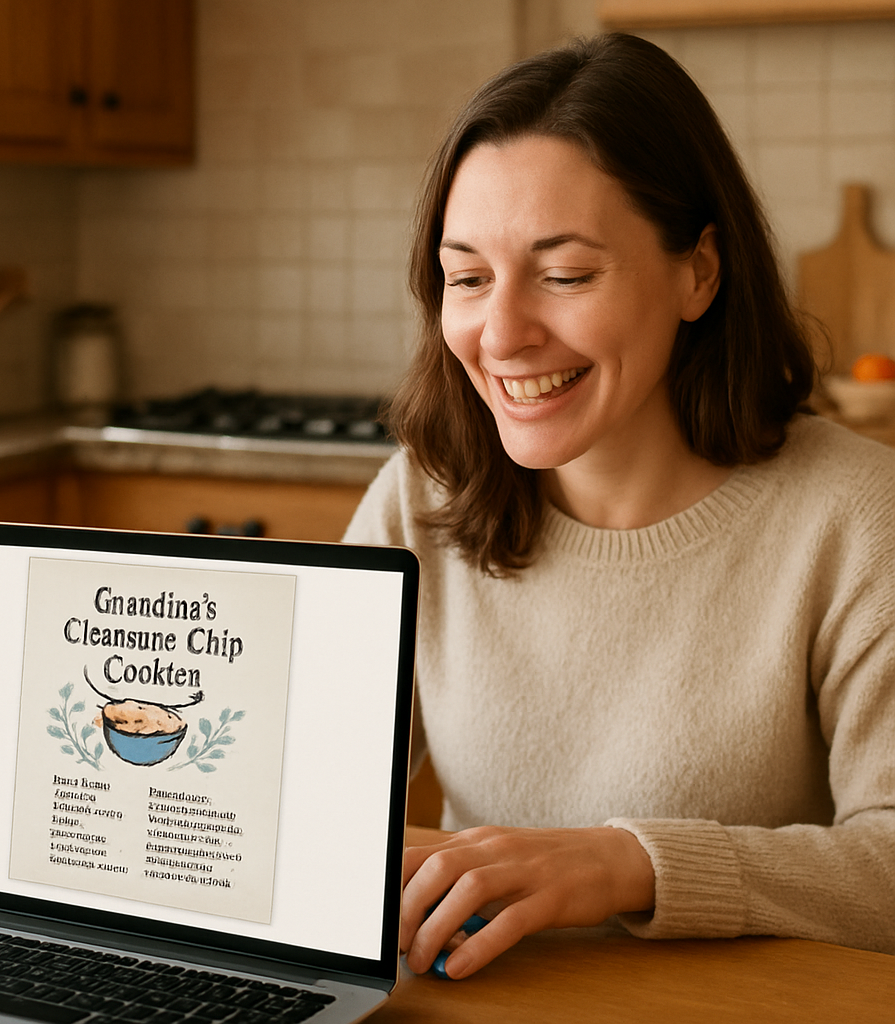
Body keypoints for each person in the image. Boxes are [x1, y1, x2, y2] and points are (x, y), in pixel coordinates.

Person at [343, 33, 895, 979]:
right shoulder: (423, 494)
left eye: (565, 274)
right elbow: (308, 795)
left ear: (699, 273)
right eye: (467, 277)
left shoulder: (855, 516)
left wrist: (627, 864)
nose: (503, 333)